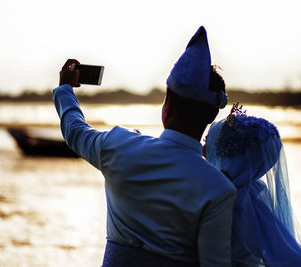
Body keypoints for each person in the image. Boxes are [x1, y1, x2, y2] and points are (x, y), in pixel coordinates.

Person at [53, 26, 237, 266]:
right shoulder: (219, 189)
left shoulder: (119, 146)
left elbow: (75, 131)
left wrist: (65, 88)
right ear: (213, 114)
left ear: (167, 105)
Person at [205, 103, 301, 266]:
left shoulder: (230, 198)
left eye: (209, 143)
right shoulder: (254, 196)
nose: (203, 149)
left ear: (227, 153)